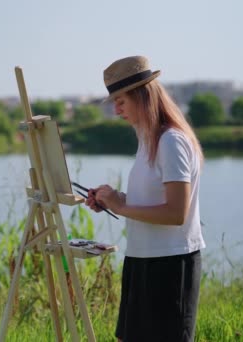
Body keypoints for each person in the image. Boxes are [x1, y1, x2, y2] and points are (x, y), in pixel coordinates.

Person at [84, 56, 205, 342]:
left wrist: (121, 206)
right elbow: (152, 201)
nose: (116, 111)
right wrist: (113, 199)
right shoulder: (148, 141)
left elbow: (177, 213)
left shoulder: (171, 141)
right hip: (141, 258)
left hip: (171, 264)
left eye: (121, 102)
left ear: (143, 97)